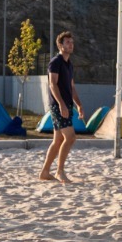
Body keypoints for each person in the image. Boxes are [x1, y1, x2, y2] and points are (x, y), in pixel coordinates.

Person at [39, 31, 83, 183]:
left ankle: (45, 172)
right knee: (70, 138)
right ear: (60, 45)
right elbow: (52, 84)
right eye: (67, 42)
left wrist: (79, 104)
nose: (71, 45)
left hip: (66, 105)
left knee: (58, 140)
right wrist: (61, 104)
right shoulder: (55, 62)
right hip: (58, 105)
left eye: (72, 42)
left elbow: (71, 87)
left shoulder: (69, 64)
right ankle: (60, 171)